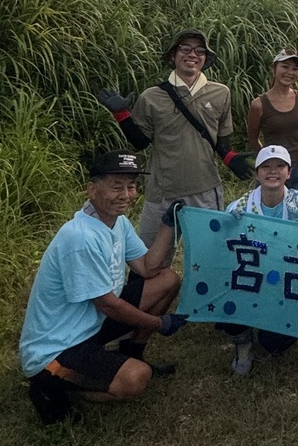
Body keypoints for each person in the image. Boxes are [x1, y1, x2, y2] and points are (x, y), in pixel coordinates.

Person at [19, 150, 188, 425]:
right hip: (57, 346)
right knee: (136, 378)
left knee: (168, 280)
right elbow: (108, 304)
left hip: (90, 325)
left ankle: (129, 355)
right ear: (92, 189)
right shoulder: (80, 238)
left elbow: (146, 267)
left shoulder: (116, 222)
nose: (126, 194)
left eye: (131, 187)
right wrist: (159, 323)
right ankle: (50, 386)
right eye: (116, 186)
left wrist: (168, 226)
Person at [97, 28, 253, 255]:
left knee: (208, 254)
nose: (193, 54)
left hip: (205, 190)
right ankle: (151, 291)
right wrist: (122, 115)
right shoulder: (151, 97)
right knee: (150, 257)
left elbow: (221, 143)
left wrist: (231, 158)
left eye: (200, 51)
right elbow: (140, 142)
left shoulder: (220, 93)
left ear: (205, 59)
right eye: (186, 48)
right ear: (173, 55)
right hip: (162, 191)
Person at [221, 145, 298, 375]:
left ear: (289, 172)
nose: (272, 171)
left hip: (287, 278)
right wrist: (228, 225)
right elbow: (224, 253)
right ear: (257, 173)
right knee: (227, 290)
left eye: (279, 166)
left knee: (274, 344)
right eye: (266, 166)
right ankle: (242, 342)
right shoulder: (239, 208)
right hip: (252, 277)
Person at [246, 48, 298, 188]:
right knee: (267, 209)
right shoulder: (259, 104)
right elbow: (253, 138)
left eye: (295, 69)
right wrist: (269, 157)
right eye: (285, 66)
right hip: (272, 172)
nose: (290, 72)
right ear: (274, 69)